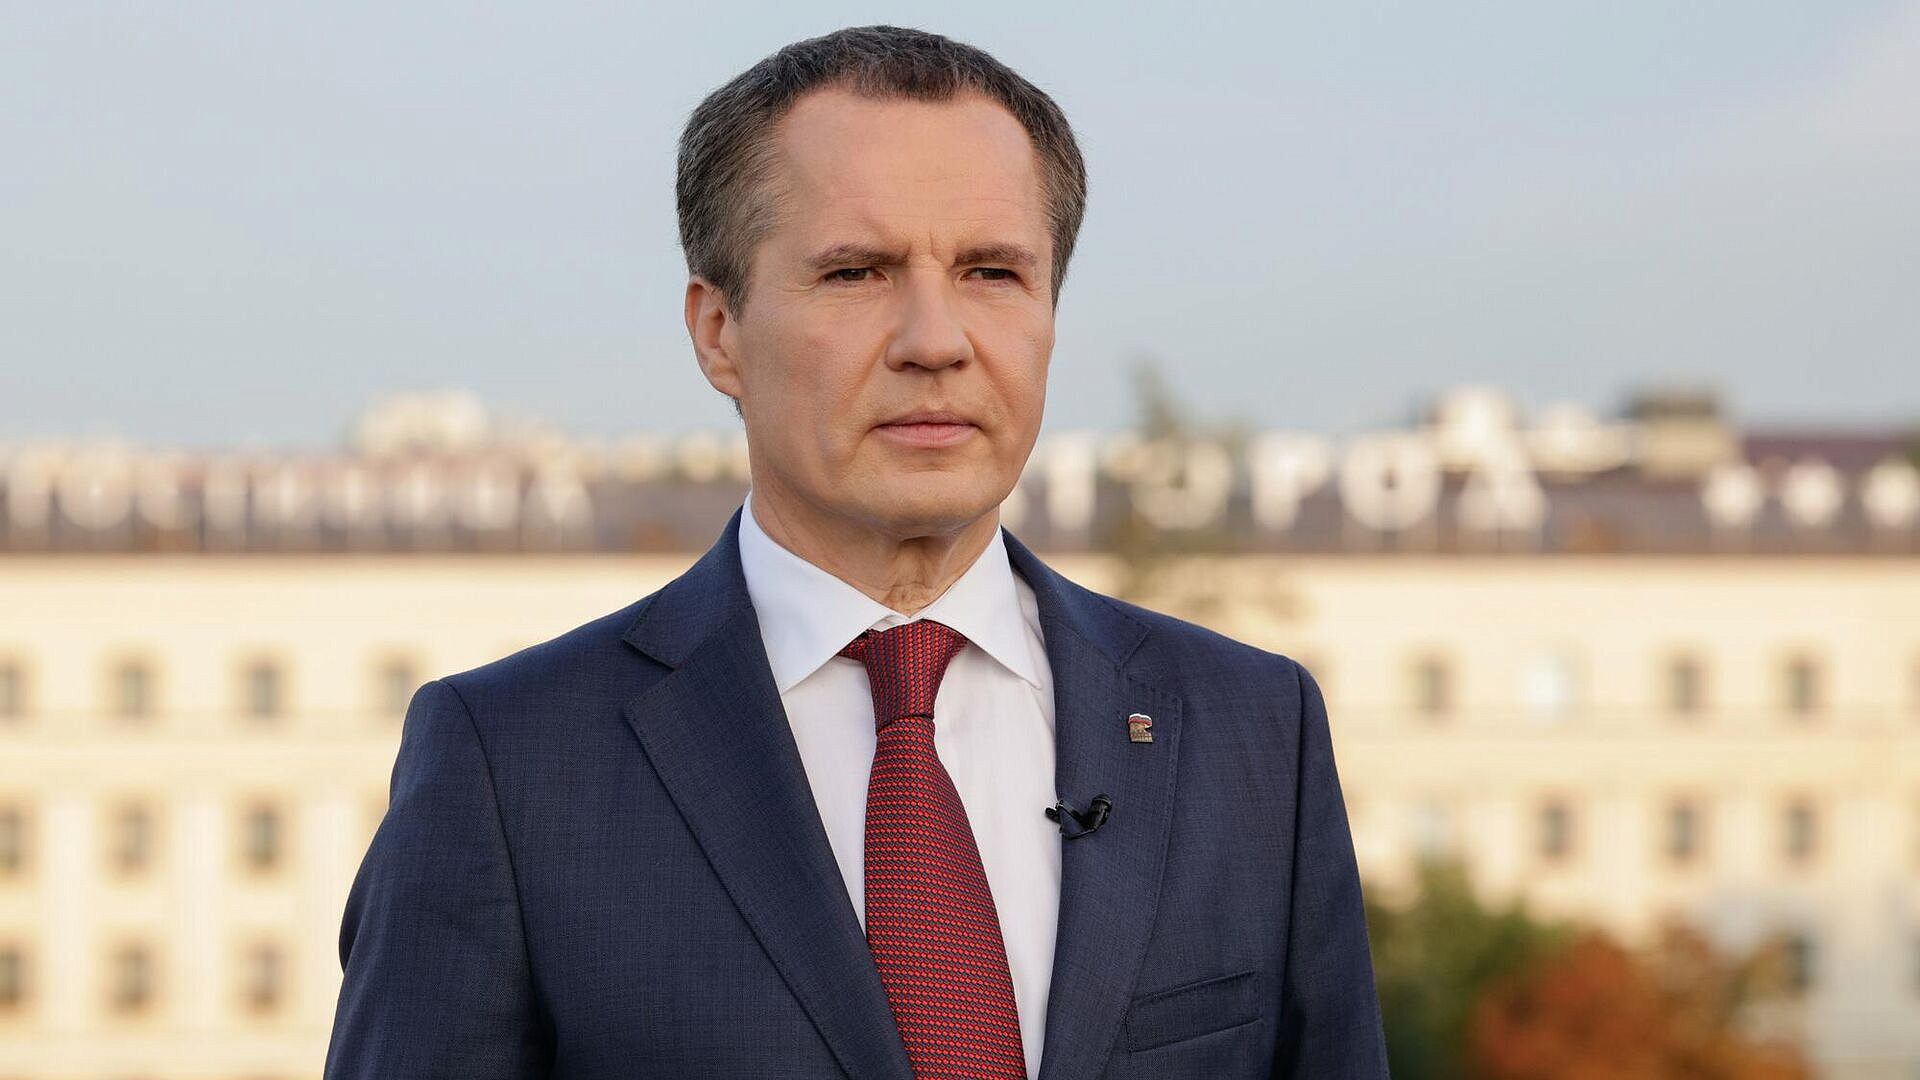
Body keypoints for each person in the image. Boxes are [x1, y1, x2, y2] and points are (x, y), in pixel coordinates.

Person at [324, 24, 1388, 1080]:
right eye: (856, 273)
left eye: (992, 272)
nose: (935, 340)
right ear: (718, 332)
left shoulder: (1253, 731)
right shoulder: (511, 765)